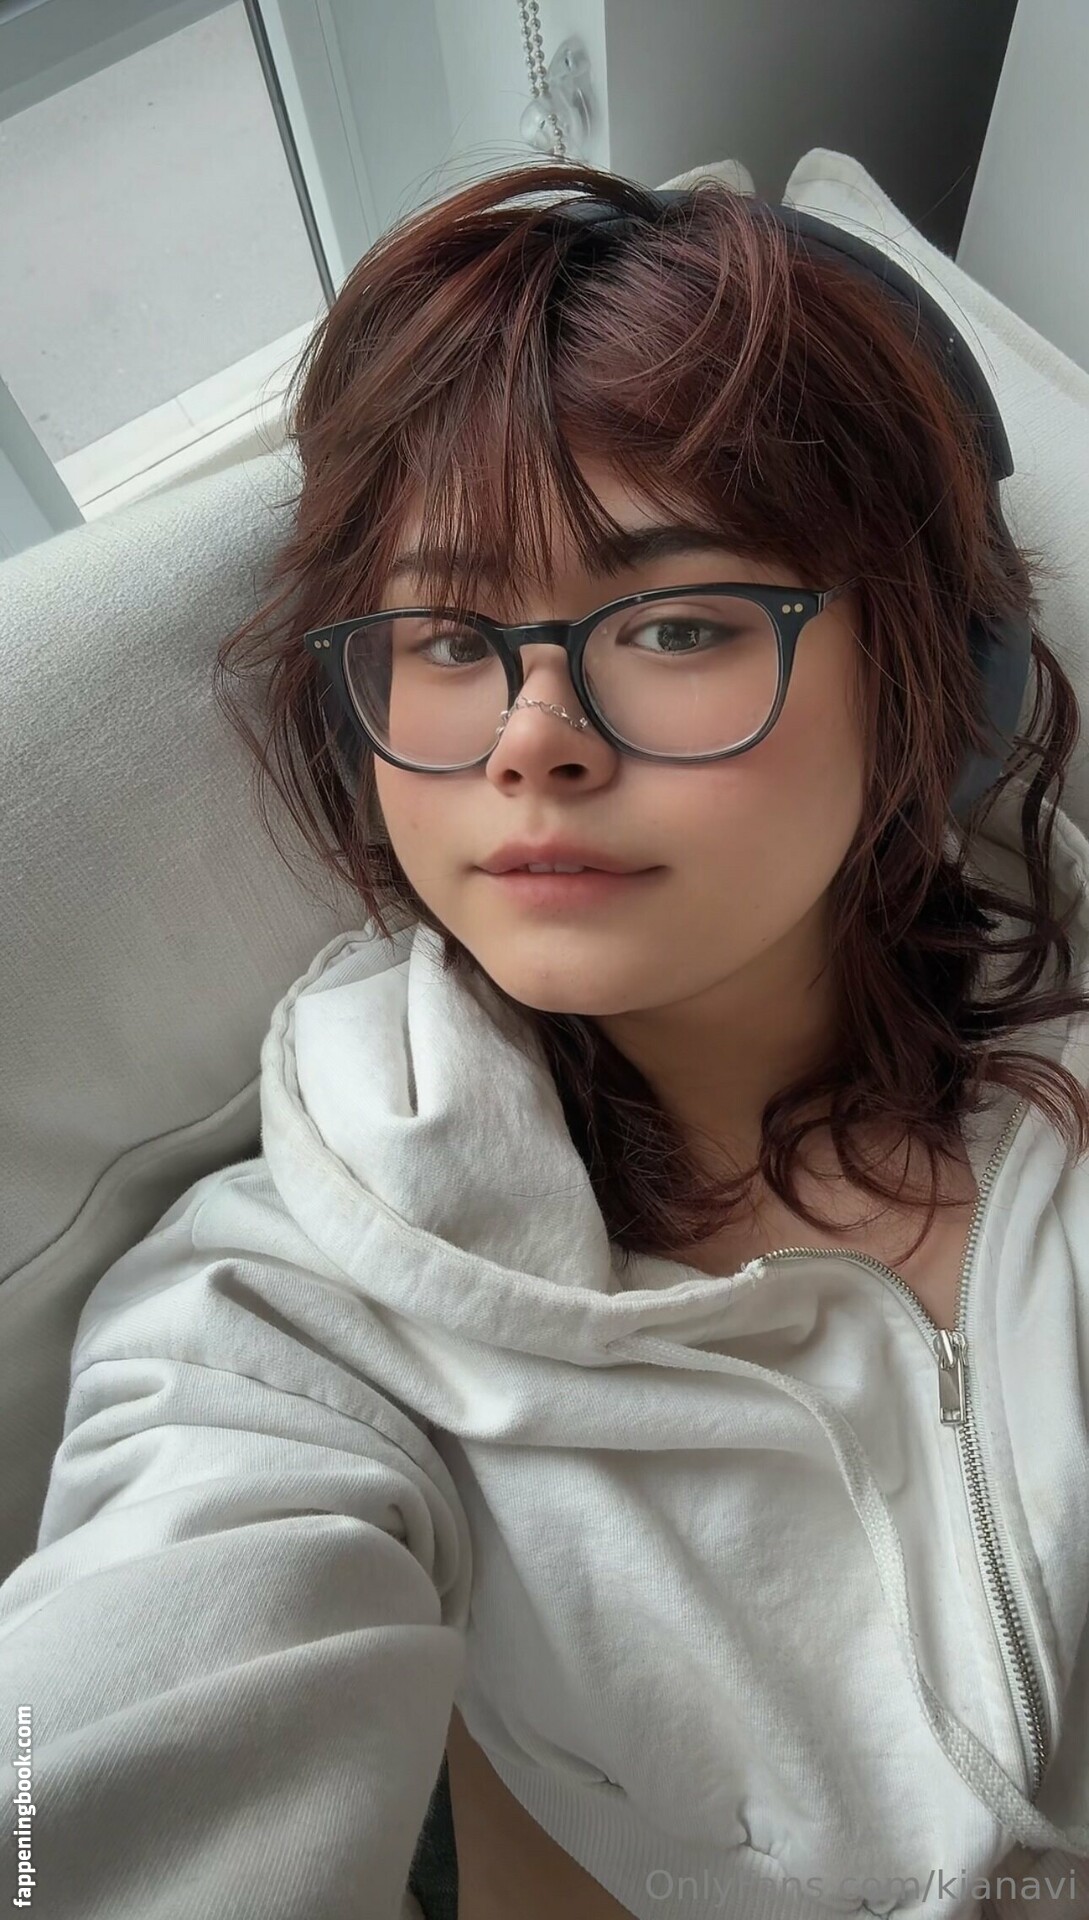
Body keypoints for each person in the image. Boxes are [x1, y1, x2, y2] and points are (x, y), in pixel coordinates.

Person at [2, 159, 1089, 1920]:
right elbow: (103, 1763)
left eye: (675, 623)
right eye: (447, 638)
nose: (530, 737)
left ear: (926, 683)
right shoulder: (285, 1321)